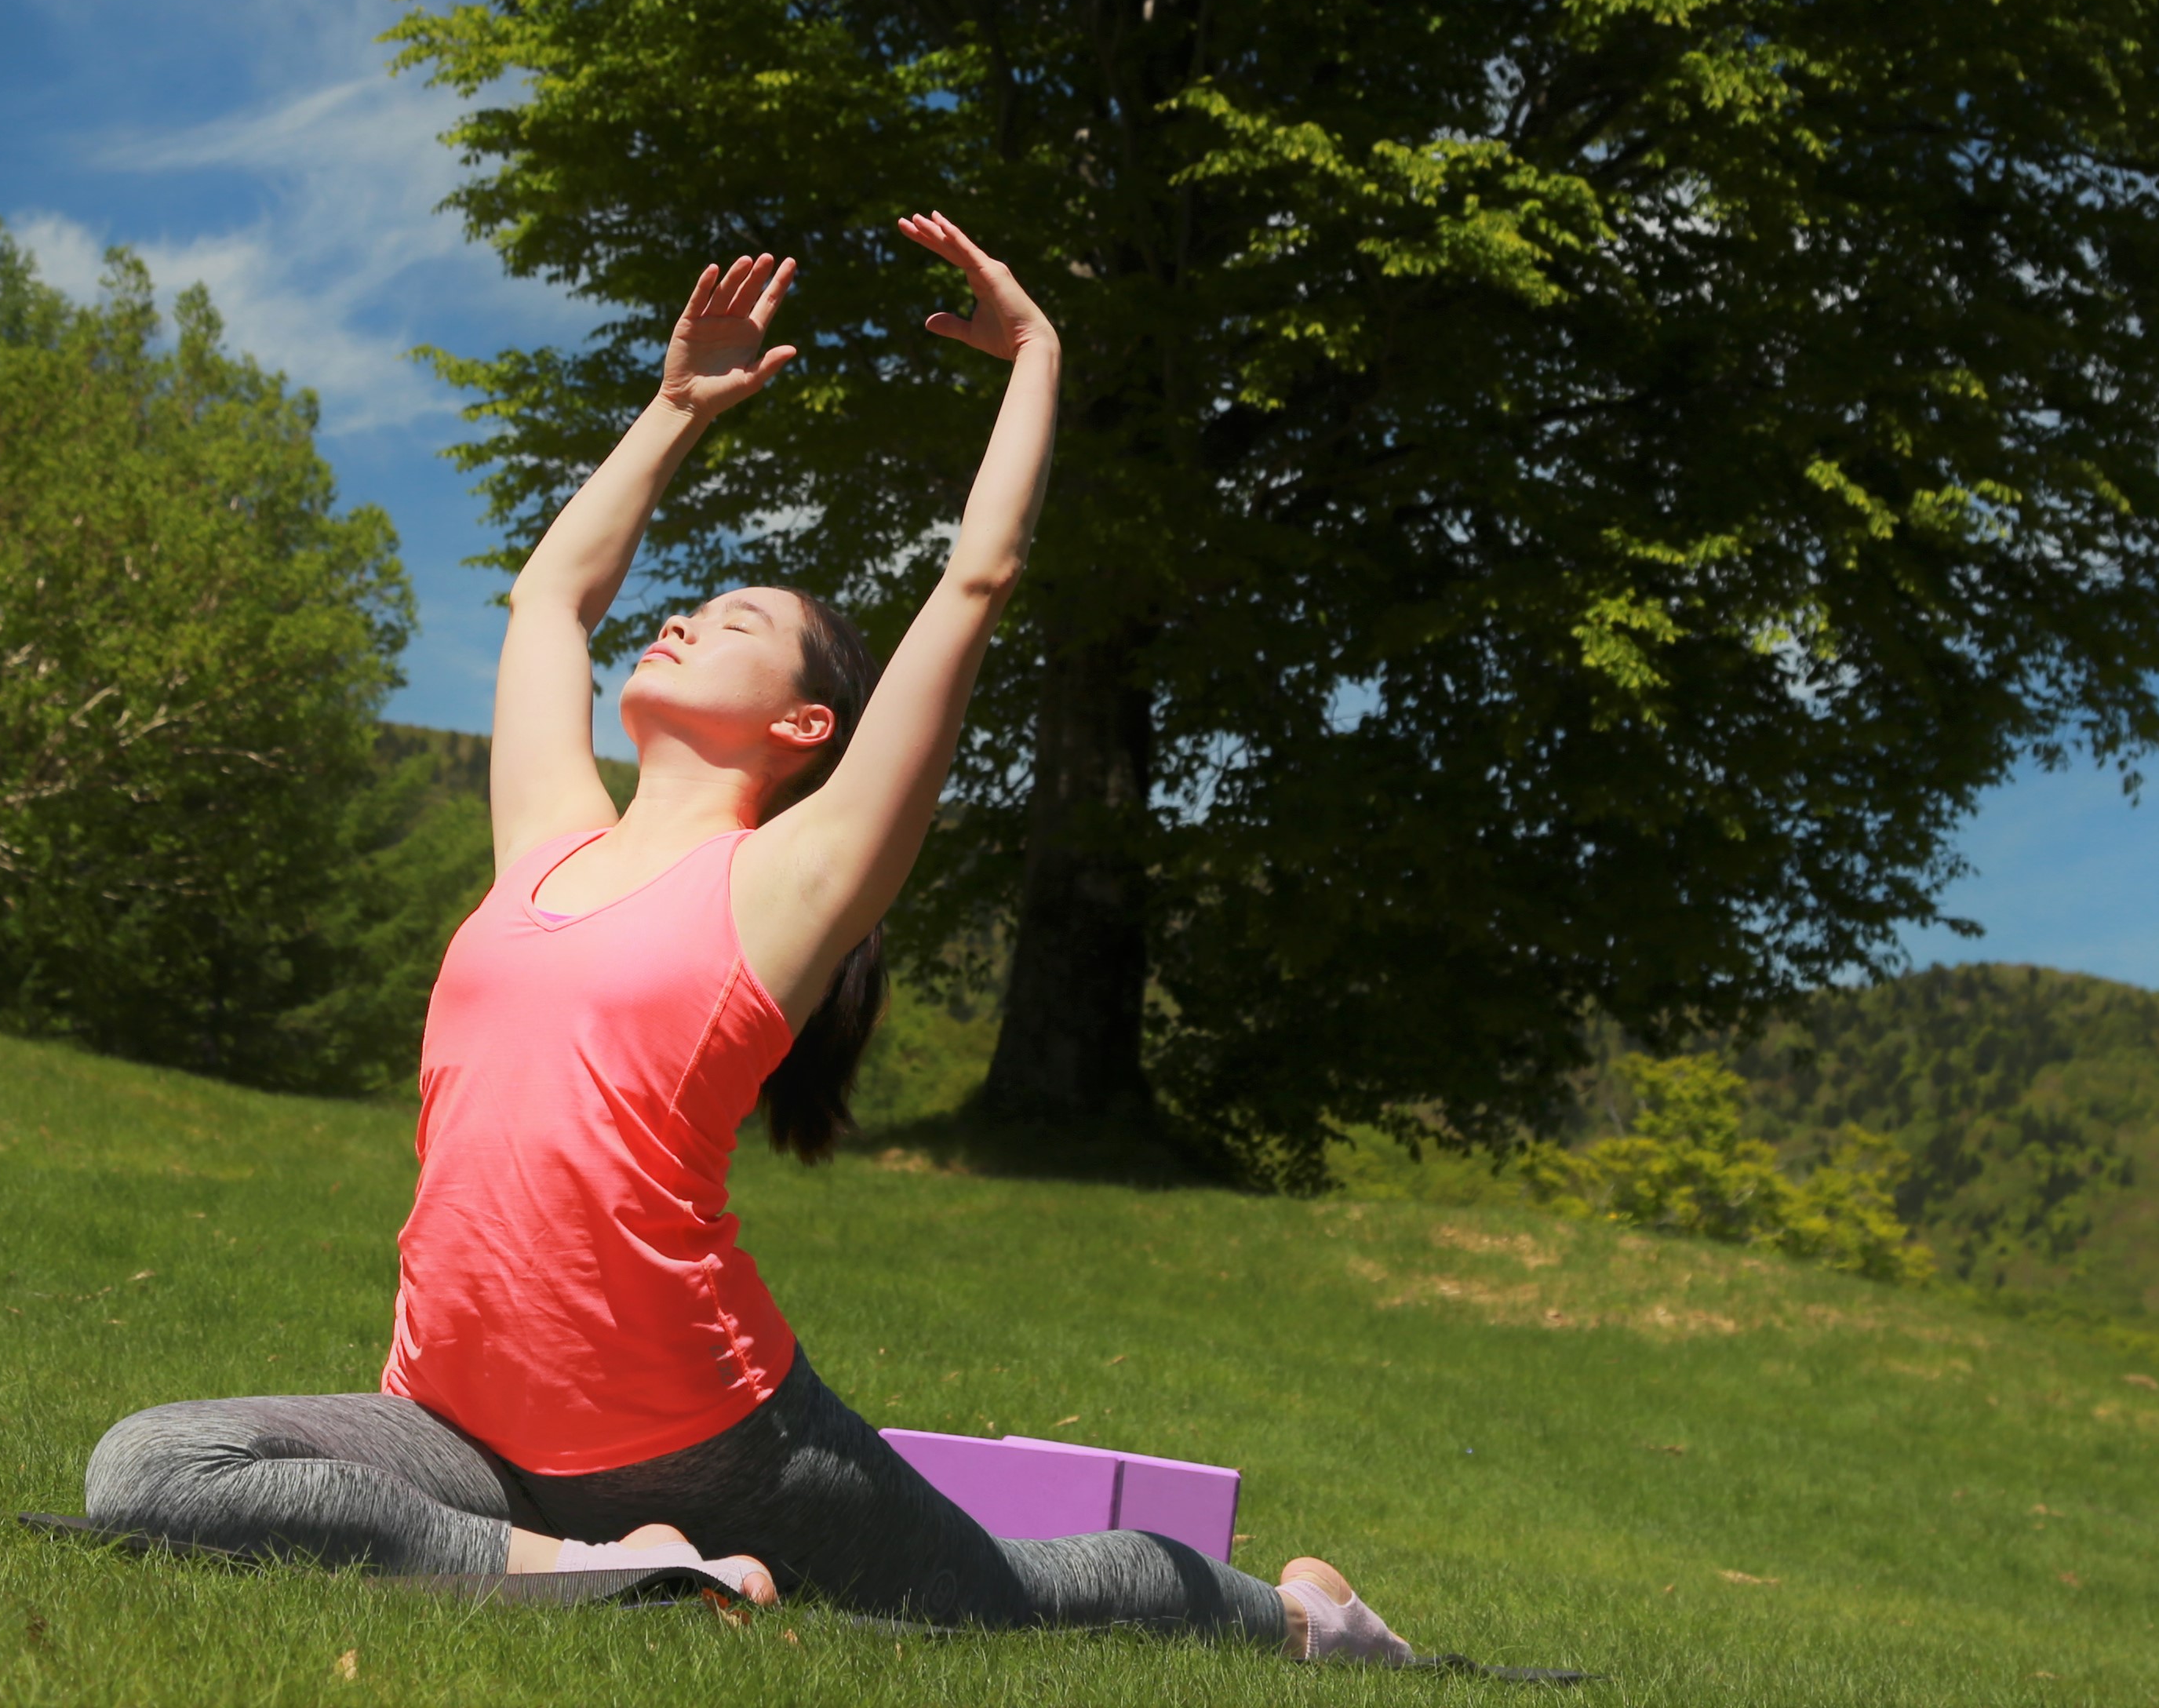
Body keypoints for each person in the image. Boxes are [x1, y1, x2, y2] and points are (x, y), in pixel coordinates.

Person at [85, 214, 1410, 1660]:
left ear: (803, 725)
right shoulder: (546, 843)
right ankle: (586, 1566)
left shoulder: (791, 885)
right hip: (455, 1434)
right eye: (688, 607)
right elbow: (550, 598)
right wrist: (675, 408)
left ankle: (1305, 1624)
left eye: (733, 620)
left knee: (1012, 1598)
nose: (679, 623)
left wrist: (1037, 356)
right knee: (150, 1468)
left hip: (717, 1446)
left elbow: (975, 583)